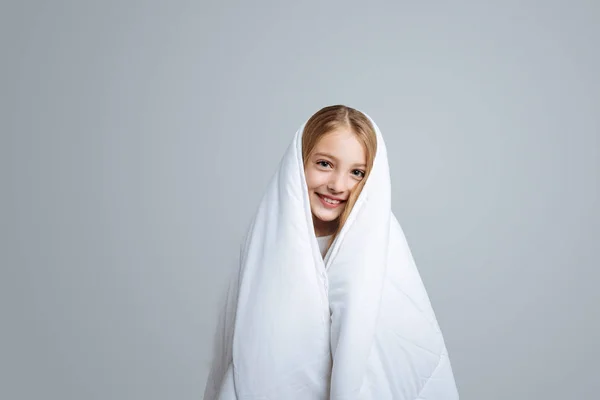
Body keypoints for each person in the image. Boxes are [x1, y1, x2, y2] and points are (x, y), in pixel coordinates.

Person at [204, 105, 459, 399]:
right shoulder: (267, 235)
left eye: (357, 173)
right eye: (324, 164)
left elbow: (395, 351)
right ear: (299, 162)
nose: (337, 185)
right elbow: (249, 341)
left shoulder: (384, 244)